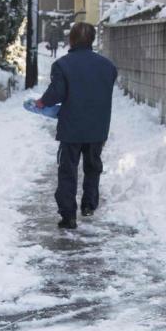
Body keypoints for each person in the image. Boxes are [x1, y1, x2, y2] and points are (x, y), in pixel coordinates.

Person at [35, 21, 118, 230]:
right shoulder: (108, 66)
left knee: (68, 171)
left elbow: (56, 94)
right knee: (93, 167)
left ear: (71, 39)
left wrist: (42, 102)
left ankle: (68, 216)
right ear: (92, 40)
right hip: (97, 128)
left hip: (71, 128)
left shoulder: (63, 65)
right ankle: (89, 205)